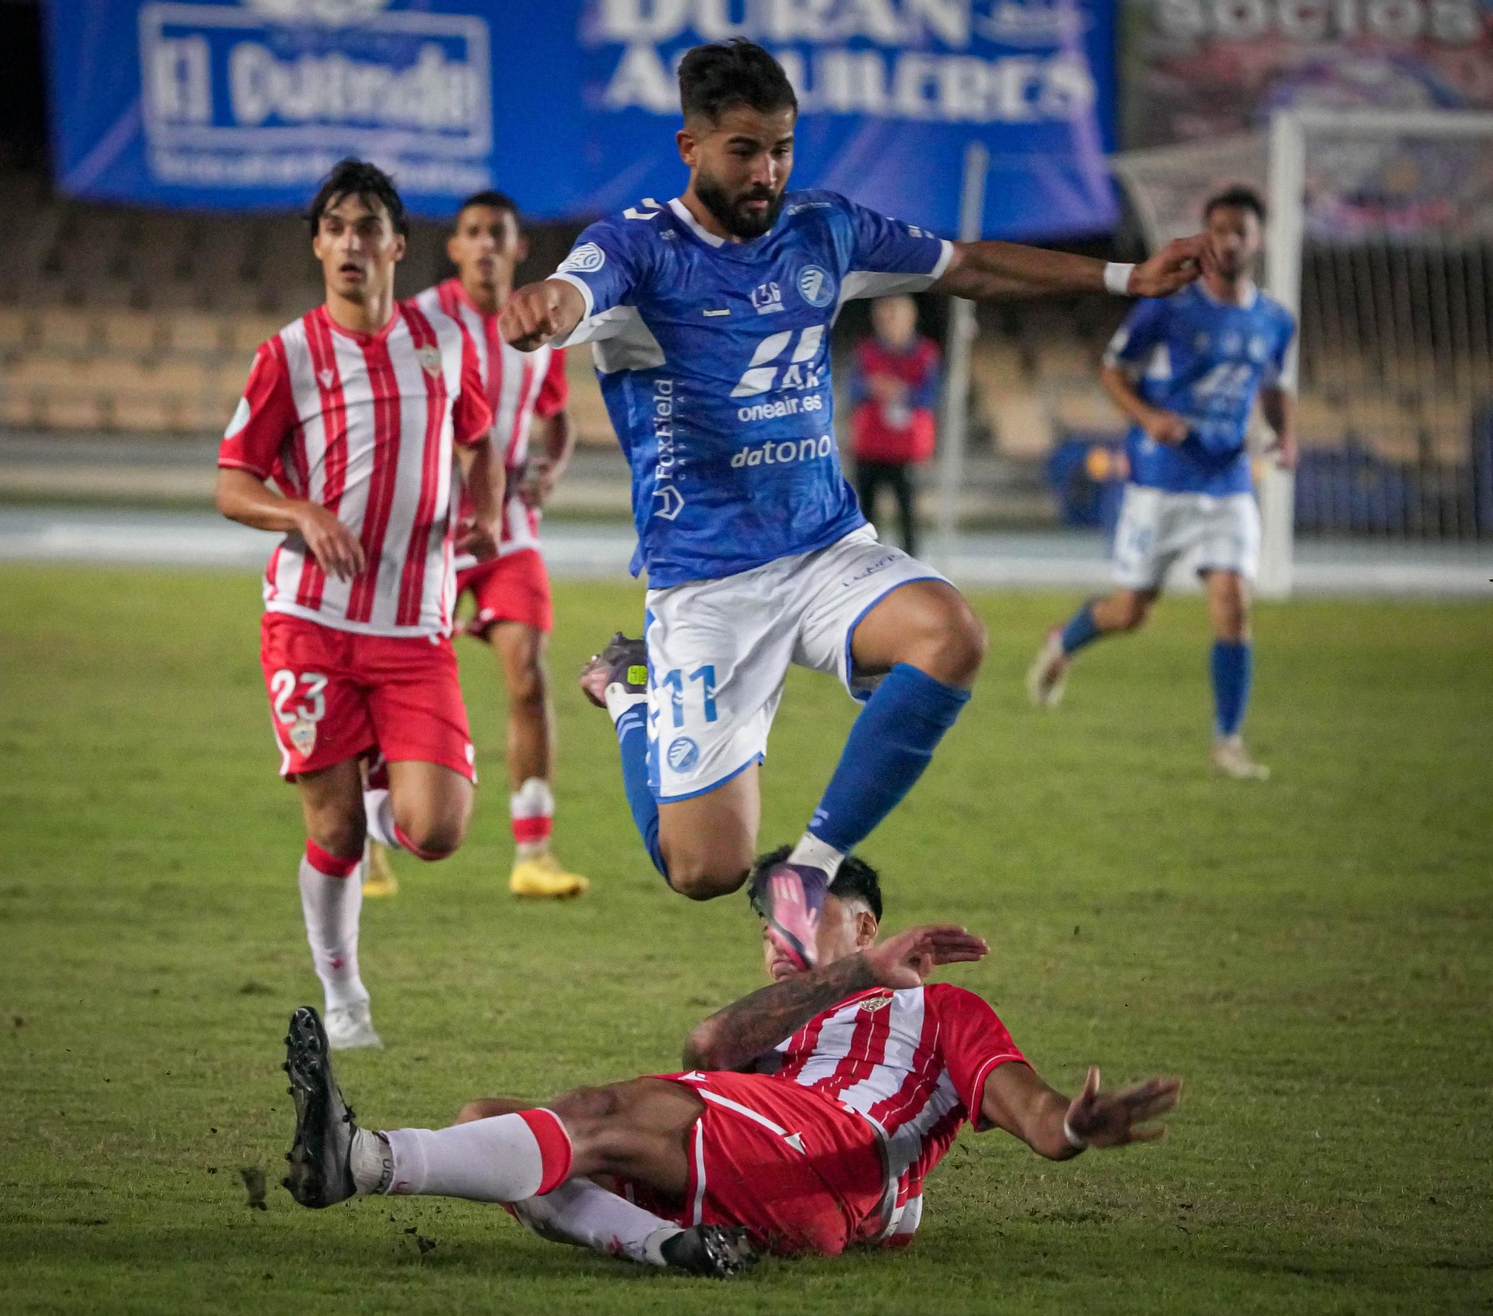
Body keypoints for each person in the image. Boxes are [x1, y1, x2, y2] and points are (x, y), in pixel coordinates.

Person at [497, 38, 1209, 968]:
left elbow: (967, 266)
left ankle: (812, 870)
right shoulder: (638, 248)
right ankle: (635, 695)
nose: (769, 172)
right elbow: (574, 289)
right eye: (745, 150)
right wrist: (545, 305)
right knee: (704, 868)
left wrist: (1123, 278)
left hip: (826, 547)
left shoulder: (823, 230)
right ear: (691, 147)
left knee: (951, 633)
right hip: (708, 584)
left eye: (783, 148)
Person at [279, 848, 1182, 1273]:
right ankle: (676, 1250)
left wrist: (1073, 1123)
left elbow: (1031, 1111)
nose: (775, 937)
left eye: (800, 913)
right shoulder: (781, 1026)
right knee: (489, 1122)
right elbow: (711, 1048)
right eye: (766, 922)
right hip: (754, 1174)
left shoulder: (939, 1010)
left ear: (865, 928)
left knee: (592, 1113)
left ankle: (364, 1160)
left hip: (827, 1154)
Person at [215, 159, 504, 1049]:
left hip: (417, 628)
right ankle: (343, 995)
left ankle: (388, 784)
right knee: (334, 828)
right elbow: (233, 482)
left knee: (439, 828)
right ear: (317, 246)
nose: (351, 241)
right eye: (335, 226)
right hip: (312, 623)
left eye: (367, 225)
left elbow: (481, 437)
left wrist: (487, 512)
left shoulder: (441, 346)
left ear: (397, 245)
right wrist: (298, 510)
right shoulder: (289, 355)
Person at [1027, 186, 1298, 781]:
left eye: (1241, 230)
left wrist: (1285, 433)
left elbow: (1275, 387)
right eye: (1219, 229)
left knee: (1232, 604)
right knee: (1130, 612)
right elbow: (1112, 370)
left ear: (1258, 240)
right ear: (1205, 237)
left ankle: (1227, 740)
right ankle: (1063, 641)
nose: (1229, 241)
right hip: (1159, 480)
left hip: (1226, 480)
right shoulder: (1168, 307)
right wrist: (1149, 418)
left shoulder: (1275, 320)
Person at [363, 191, 588, 902]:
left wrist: (552, 466)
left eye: (498, 233)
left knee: (529, 673)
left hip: (510, 530)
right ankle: (369, 847)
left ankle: (534, 851)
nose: (486, 244)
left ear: (520, 248)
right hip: (427, 528)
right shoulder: (420, 320)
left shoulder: (533, 329)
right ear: (455, 247)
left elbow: (558, 416)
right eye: (472, 234)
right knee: (387, 680)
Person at [849, 293, 941, 556]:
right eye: (882, 318)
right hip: (870, 446)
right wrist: (872, 387)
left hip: (906, 449)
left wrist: (901, 392)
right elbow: (854, 390)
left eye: (893, 316)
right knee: (866, 516)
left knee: (908, 514)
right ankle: (867, 566)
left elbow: (930, 395)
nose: (887, 323)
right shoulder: (866, 351)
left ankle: (912, 568)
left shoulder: (925, 354)